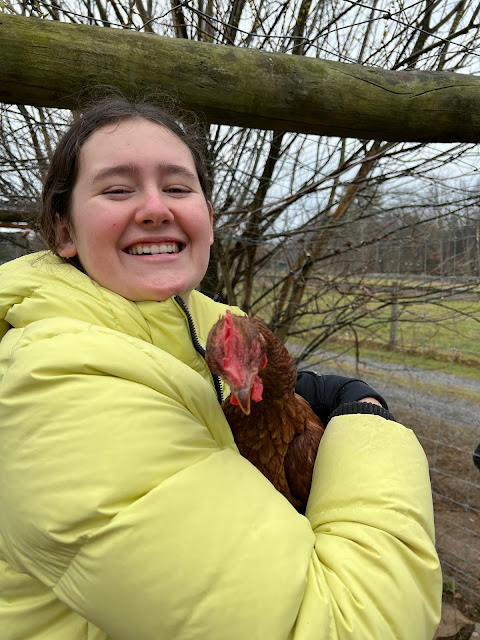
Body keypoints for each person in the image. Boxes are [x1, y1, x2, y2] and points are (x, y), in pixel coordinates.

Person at [0, 95, 442, 640]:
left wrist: (278, 388)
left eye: (178, 187)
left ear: (207, 219)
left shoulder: (201, 323)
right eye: (117, 189)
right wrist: (369, 422)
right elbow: (350, 626)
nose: (155, 208)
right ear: (64, 230)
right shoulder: (55, 388)